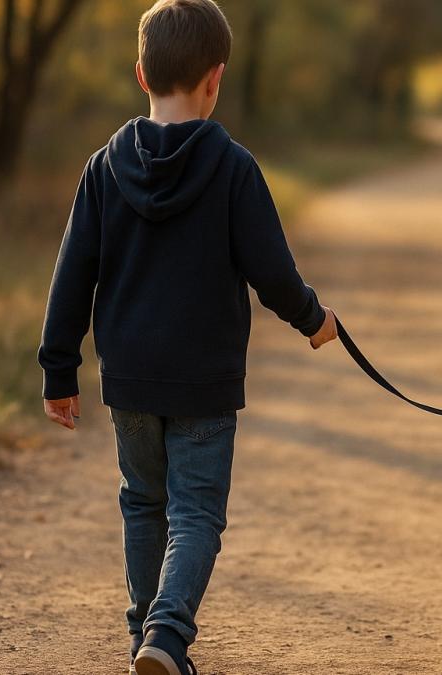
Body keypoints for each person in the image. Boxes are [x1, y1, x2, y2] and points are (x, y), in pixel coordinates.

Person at [36, 2, 338, 672]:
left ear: (142, 74)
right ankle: (166, 634)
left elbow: (71, 277)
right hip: (204, 383)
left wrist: (59, 371)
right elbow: (274, 274)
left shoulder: (103, 170)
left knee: (143, 503)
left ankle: (146, 631)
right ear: (215, 79)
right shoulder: (232, 168)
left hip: (131, 381)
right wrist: (315, 320)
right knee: (196, 514)